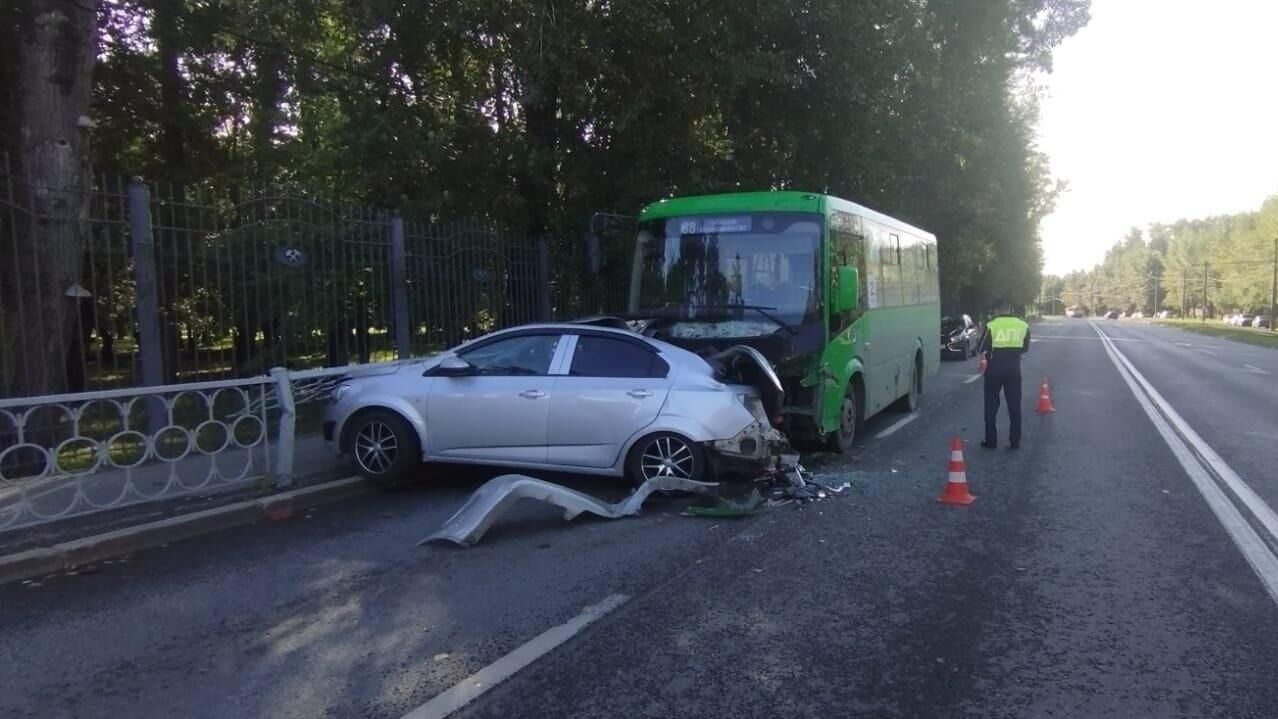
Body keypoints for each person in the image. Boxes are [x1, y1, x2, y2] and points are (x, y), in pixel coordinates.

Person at [978, 300, 1031, 449]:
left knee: (991, 406)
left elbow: (980, 348)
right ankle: (1015, 441)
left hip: (994, 369)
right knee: (1014, 406)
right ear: (1010, 309)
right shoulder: (1023, 324)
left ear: (996, 310)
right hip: (1014, 369)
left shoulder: (991, 325)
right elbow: (1025, 347)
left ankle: (991, 441)